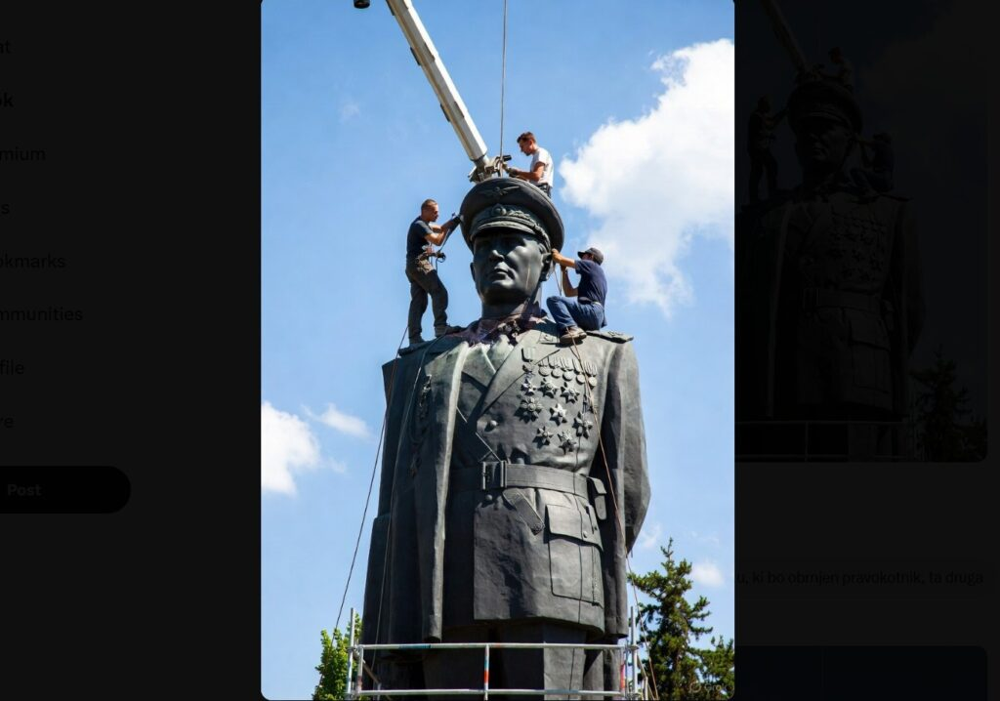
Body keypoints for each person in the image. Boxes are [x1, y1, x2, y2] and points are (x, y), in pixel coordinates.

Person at [362, 178, 650, 695]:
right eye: (484, 246)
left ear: (545, 261)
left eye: (512, 242)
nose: (496, 254)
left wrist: (586, 555)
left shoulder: (602, 353)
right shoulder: (423, 364)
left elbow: (630, 490)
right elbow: (395, 499)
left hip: (560, 579)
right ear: (471, 268)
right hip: (444, 583)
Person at [736, 78, 923, 459]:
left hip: (859, 380)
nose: (813, 137)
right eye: (805, 130)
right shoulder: (766, 217)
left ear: (851, 140)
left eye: (825, 128)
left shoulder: (888, 212)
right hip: (780, 381)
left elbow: (910, 310)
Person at [405, 199, 463, 346]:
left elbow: (441, 227)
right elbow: (437, 241)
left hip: (412, 267)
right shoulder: (419, 225)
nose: (438, 214)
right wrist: (450, 227)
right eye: (435, 212)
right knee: (439, 291)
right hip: (419, 264)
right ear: (425, 211)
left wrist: (454, 222)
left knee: (419, 302)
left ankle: (414, 338)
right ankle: (440, 327)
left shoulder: (425, 224)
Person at [546, 247, 608, 345]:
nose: (581, 259)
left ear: (591, 256)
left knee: (554, 300)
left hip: (591, 311)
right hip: (596, 318)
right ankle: (573, 328)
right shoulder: (593, 279)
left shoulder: (591, 265)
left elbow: (559, 258)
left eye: (583, 256)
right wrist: (564, 272)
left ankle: (572, 329)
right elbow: (569, 292)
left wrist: (555, 252)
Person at [747, 95, 787, 202]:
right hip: (758, 148)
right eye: (767, 104)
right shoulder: (756, 117)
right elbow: (762, 128)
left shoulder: (760, 116)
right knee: (765, 167)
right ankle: (765, 194)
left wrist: (783, 113)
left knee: (761, 169)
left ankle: (759, 196)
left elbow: (771, 123)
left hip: (760, 148)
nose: (769, 107)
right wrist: (768, 135)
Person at [505, 131, 554, 197]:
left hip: (541, 190)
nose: (521, 150)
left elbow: (536, 176)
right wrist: (517, 175)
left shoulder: (541, 153)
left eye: (522, 146)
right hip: (538, 190)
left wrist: (518, 172)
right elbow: (532, 179)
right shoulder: (537, 155)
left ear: (530, 142)